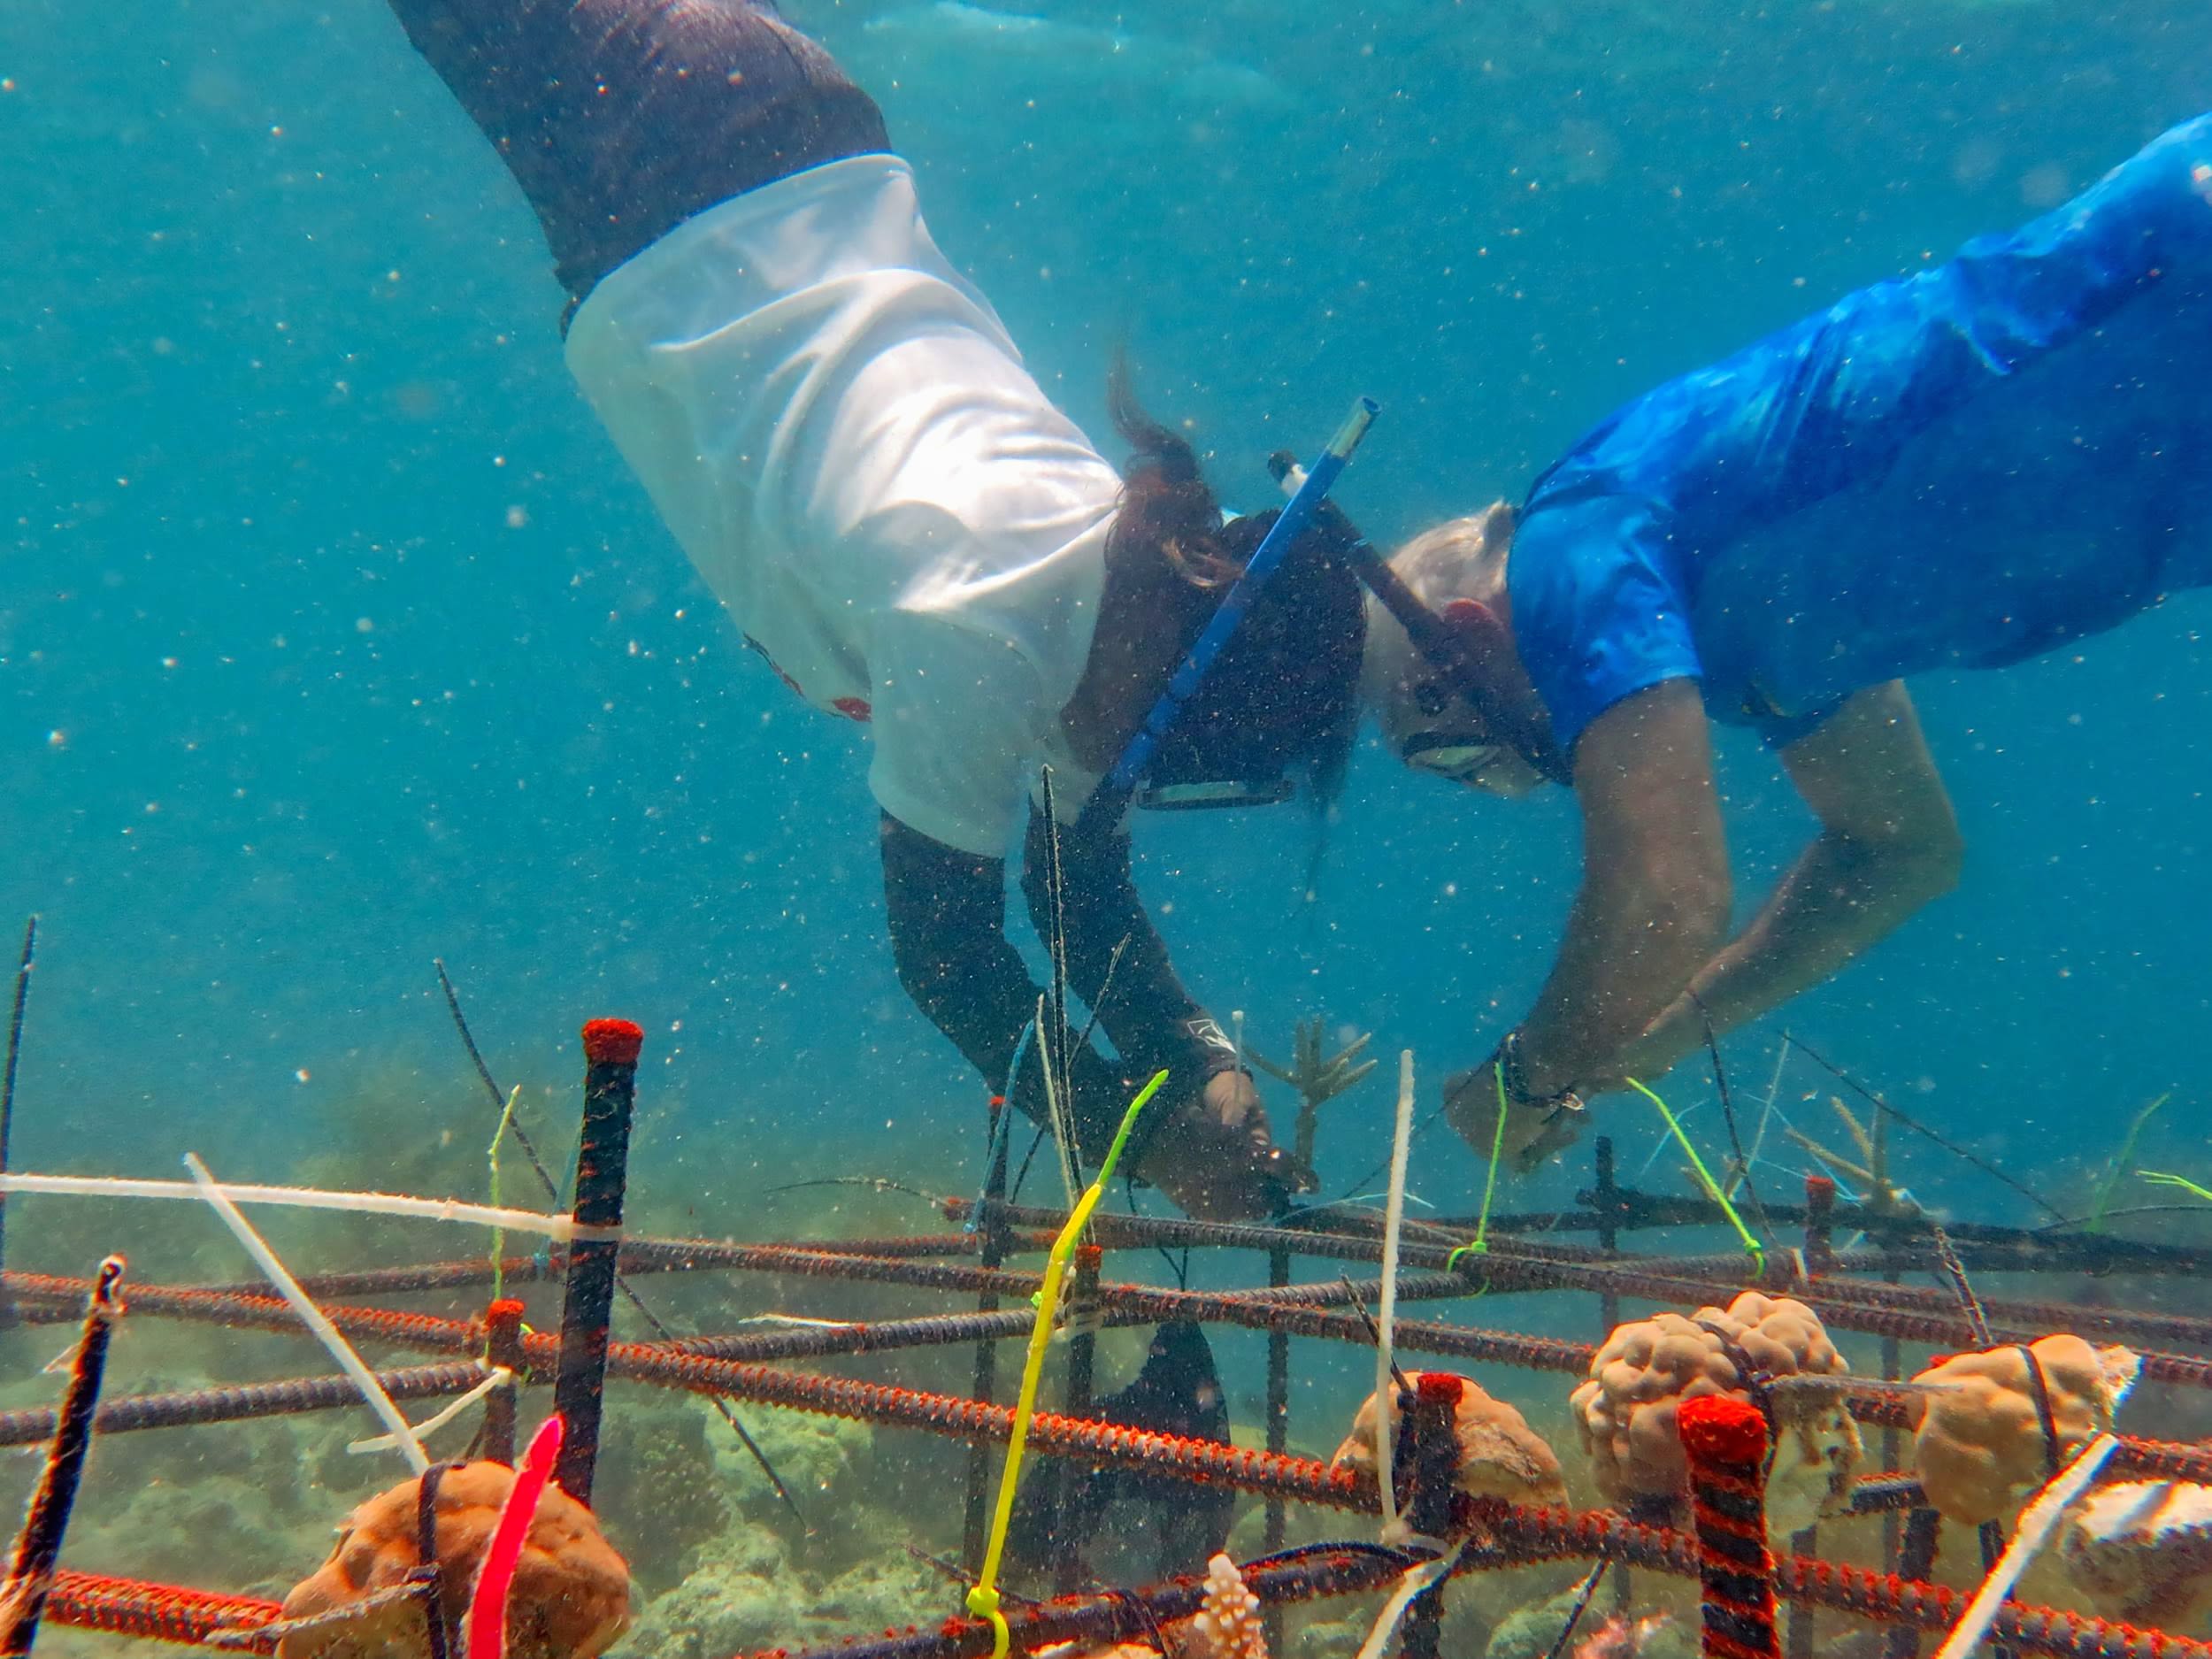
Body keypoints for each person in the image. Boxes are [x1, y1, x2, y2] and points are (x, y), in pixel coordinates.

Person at [372, 0, 1381, 1216]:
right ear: (1176, 677)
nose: (1134, 785)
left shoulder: (1112, 604)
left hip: (781, 134)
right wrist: (1134, 1138)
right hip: (672, 174)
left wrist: (1193, 1059)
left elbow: (1072, 883)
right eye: (1166, 764)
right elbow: (950, 956)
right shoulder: (977, 617)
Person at [1363, 112, 2212, 1171]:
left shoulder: (1571, 547)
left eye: (1450, 755)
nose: (1510, 785)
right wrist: (1640, 1042)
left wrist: (1527, 1075)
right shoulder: (1750, 657)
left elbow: (1666, 893)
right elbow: (1894, 849)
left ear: (1464, 636)